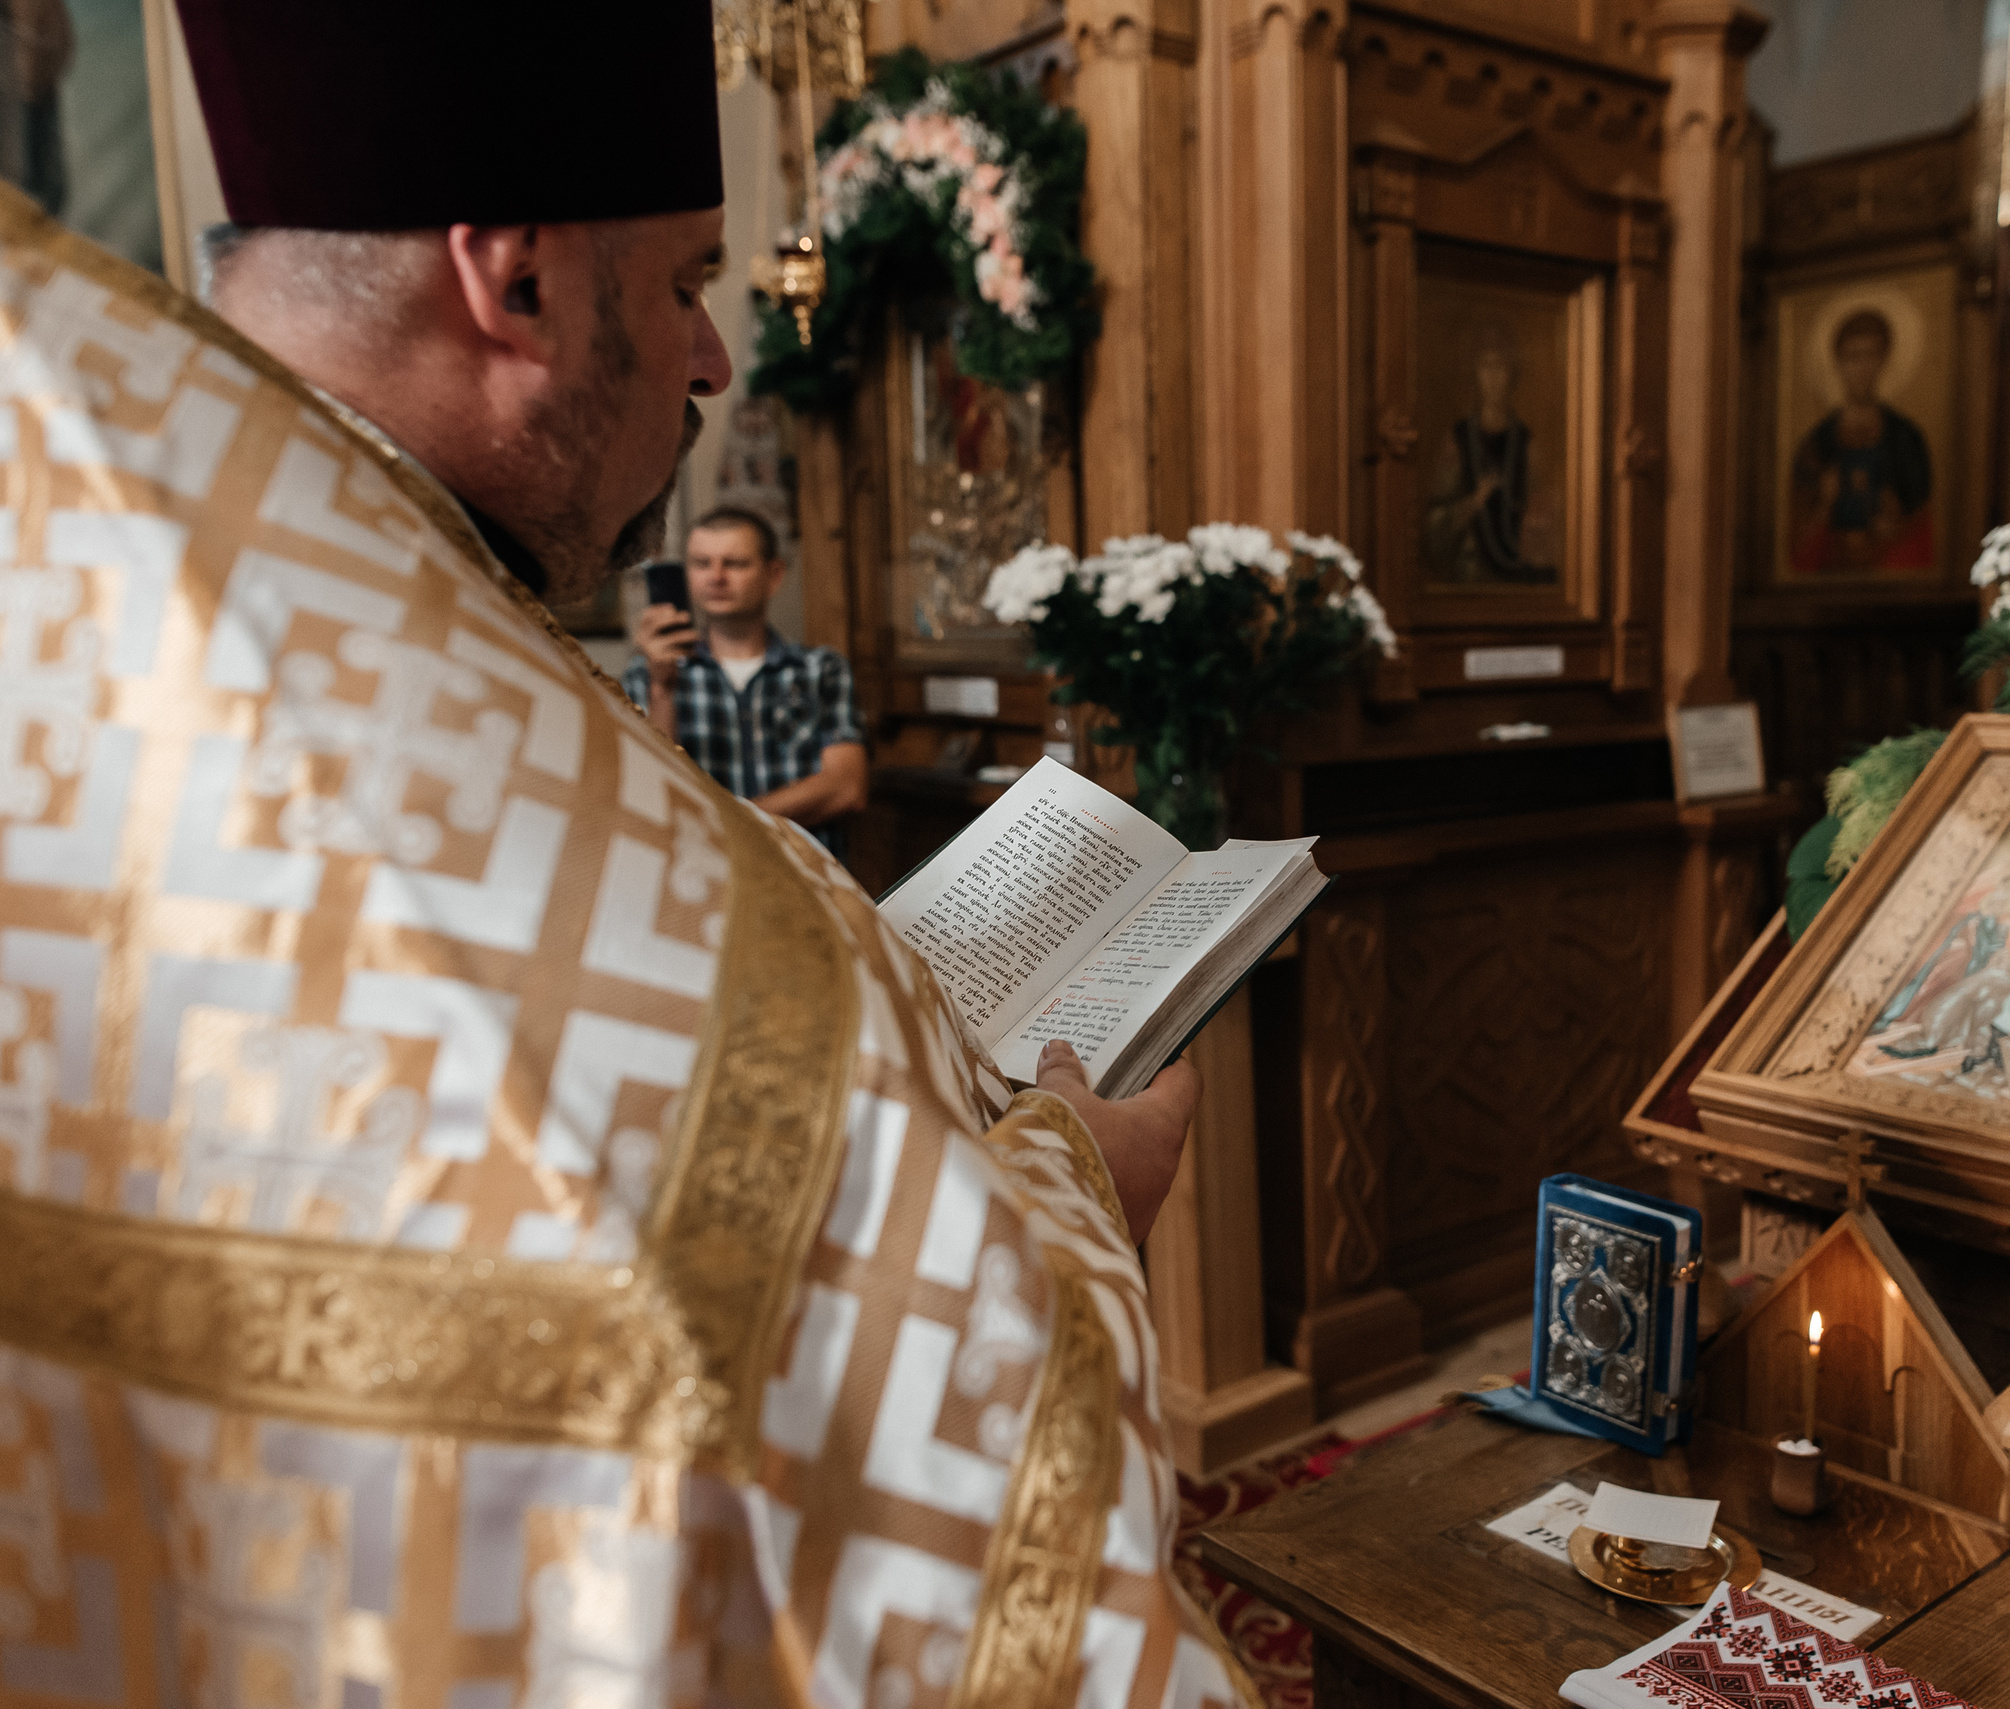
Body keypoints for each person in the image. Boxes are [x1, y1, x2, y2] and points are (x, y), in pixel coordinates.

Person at [0, 2, 1227, 1704]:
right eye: (681, 281)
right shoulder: (522, 853)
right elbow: (910, 1517)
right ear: (511, 281)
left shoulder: (78, 619)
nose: (717, 355)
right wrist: (1089, 1180)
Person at [624, 507, 870, 863]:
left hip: (808, 877)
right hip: (707, 879)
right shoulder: (648, 673)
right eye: (701, 563)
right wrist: (662, 690)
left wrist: (725, 822)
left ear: (774, 574)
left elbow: (846, 787)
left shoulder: (821, 669)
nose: (716, 577)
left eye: (735, 563)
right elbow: (657, 791)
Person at [1787, 309, 1934, 574]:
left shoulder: (1905, 439)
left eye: (1871, 356)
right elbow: (1797, 547)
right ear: (1838, 362)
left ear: (1883, 361)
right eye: (1853, 357)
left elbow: (1921, 527)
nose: (1862, 368)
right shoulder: (1816, 444)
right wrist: (1823, 506)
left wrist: (1893, 529)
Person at [1423, 321, 1554, 583]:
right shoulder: (1458, 439)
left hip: (1518, 566)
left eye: (1500, 367)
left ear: (1511, 374)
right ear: (1475, 374)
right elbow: (1434, 523)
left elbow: (1542, 508)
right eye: (1486, 366)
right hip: (1470, 569)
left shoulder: (1525, 442)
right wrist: (1475, 500)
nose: (1493, 377)